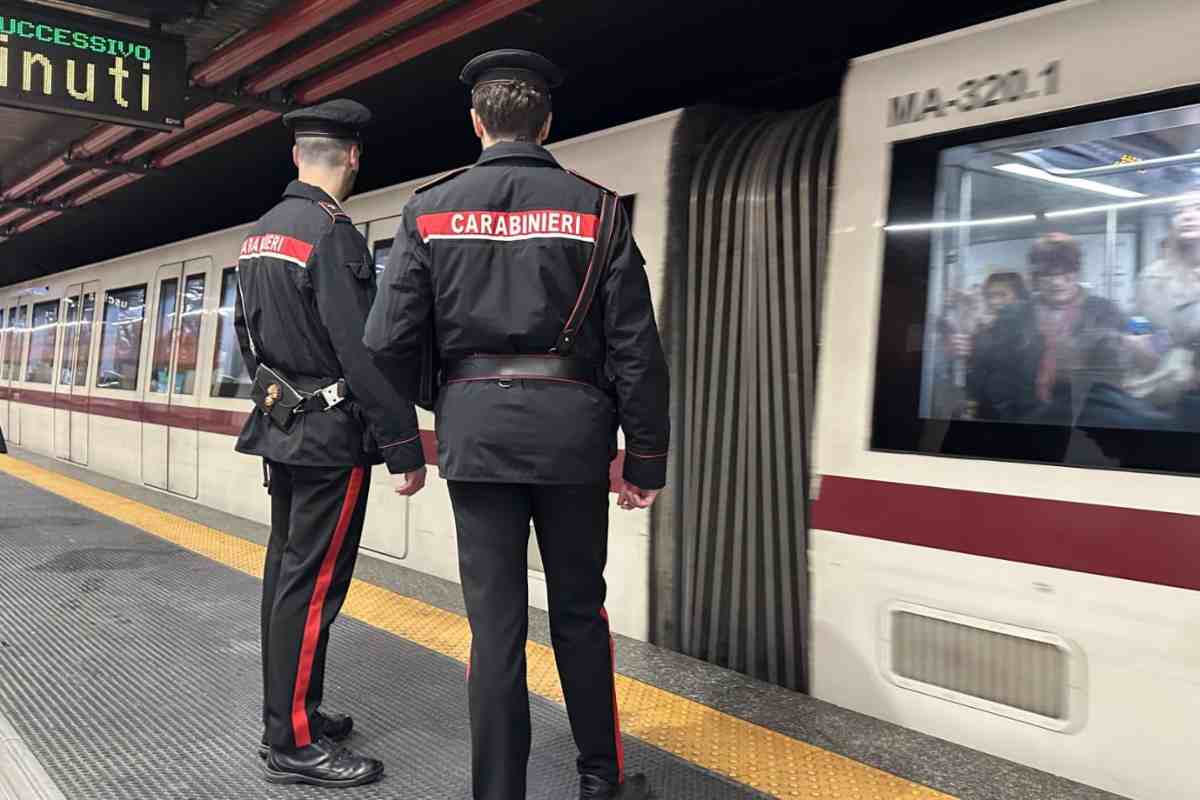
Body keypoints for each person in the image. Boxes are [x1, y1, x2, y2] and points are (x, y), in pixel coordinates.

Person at [364, 50, 669, 800]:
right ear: (547, 121)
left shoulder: (430, 209)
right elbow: (635, 345)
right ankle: (600, 778)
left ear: (477, 123)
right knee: (578, 612)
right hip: (574, 438)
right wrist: (646, 458)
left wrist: (448, 397)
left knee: (494, 627)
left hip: (477, 438)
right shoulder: (596, 207)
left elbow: (384, 340)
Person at [234, 98, 427, 788]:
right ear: (352, 157)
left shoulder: (260, 234)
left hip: (281, 427)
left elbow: (245, 339)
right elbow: (363, 351)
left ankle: (294, 713)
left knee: (284, 579)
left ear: (296, 155)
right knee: (312, 588)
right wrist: (402, 443)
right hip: (328, 438)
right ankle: (292, 742)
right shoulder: (331, 234)